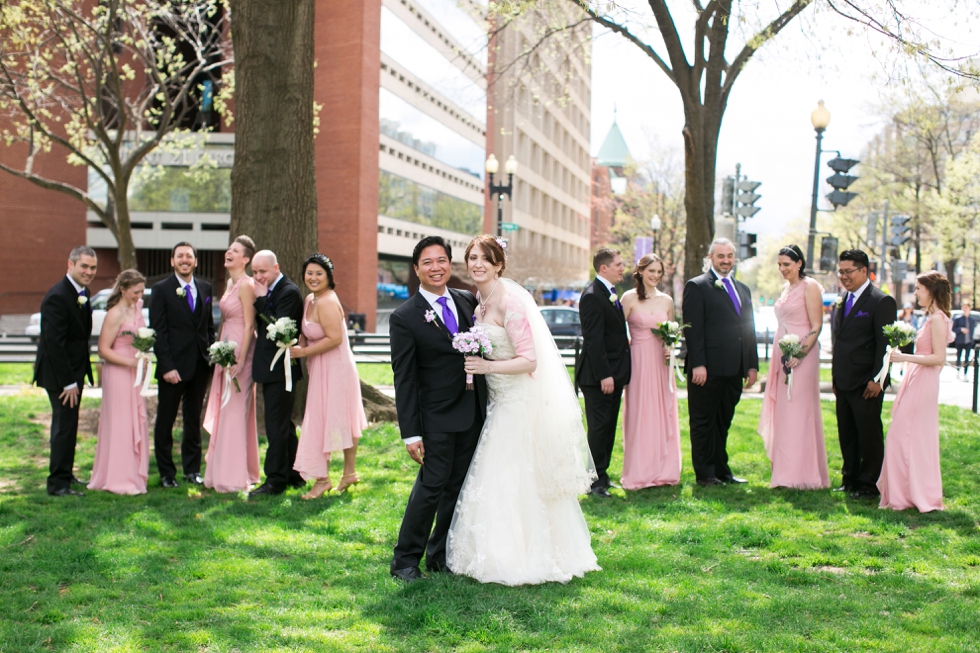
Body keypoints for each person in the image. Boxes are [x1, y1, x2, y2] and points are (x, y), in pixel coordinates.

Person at [446, 235, 598, 585]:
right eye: (472, 257)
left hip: (518, 402)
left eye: (485, 258)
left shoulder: (510, 302)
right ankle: (495, 549)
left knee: (513, 475)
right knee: (500, 474)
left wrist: (487, 369)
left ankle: (525, 554)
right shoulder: (480, 303)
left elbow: (530, 359)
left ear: (499, 264)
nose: (477, 264)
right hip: (498, 401)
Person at [389, 236, 487, 582]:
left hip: (471, 413)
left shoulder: (465, 299)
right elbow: (404, 378)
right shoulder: (404, 317)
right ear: (416, 269)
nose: (436, 267)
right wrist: (411, 432)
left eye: (442, 260)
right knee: (430, 487)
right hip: (434, 418)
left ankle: (439, 555)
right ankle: (404, 560)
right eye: (428, 262)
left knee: (456, 487)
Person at [290, 253, 368, 499]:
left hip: (336, 368)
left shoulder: (326, 301)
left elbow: (334, 339)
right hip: (320, 366)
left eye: (319, 273)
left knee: (336, 417)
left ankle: (325, 478)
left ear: (329, 277)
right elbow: (308, 332)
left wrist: (302, 352)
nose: (313, 278)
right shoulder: (310, 299)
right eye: (309, 273)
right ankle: (347, 474)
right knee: (330, 417)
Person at [682, 237, 758, 487]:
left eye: (729, 256)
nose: (725, 261)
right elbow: (693, 329)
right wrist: (698, 364)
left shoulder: (742, 289)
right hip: (708, 368)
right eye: (720, 256)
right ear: (711, 258)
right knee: (703, 422)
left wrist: (751, 364)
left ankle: (721, 470)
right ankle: (704, 474)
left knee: (723, 421)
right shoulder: (697, 286)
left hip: (734, 368)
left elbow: (748, 329)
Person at [878, 272, 954, 512]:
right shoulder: (929, 318)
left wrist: (903, 357)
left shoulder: (938, 319)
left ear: (931, 291)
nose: (916, 293)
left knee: (902, 438)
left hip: (924, 382)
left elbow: (939, 358)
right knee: (906, 439)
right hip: (918, 378)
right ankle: (907, 494)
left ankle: (912, 495)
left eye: (919, 288)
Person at [757, 245, 829, 490]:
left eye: (787, 264)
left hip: (803, 355)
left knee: (799, 410)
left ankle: (802, 474)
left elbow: (816, 325)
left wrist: (800, 353)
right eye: (779, 265)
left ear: (799, 263)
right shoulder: (786, 288)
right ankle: (784, 471)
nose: (782, 269)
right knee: (784, 413)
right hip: (783, 353)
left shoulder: (810, 287)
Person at [831, 249, 897, 499]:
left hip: (867, 382)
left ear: (863, 271)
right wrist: (835, 378)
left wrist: (878, 379)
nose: (844, 277)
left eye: (848, 272)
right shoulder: (842, 300)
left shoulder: (881, 301)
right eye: (841, 272)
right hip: (844, 380)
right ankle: (850, 478)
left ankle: (869, 484)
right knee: (846, 432)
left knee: (868, 434)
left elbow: (885, 345)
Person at [150, 242, 215, 488]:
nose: (184, 260)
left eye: (189, 256)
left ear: (195, 261)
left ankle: (191, 470)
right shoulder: (161, 290)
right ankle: (167, 473)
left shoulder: (206, 288)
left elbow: (207, 327)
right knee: (165, 420)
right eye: (180, 256)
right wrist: (166, 366)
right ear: (172, 261)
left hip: (200, 366)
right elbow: (159, 330)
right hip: (173, 368)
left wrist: (209, 355)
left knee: (193, 419)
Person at [34, 246, 97, 497]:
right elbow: (54, 344)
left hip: (74, 372)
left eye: (93, 268)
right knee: (63, 426)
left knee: (69, 425)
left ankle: (65, 474)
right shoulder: (57, 296)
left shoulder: (82, 292)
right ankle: (57, 484)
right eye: (84, 266)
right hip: (60, 375)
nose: (89, 272)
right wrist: (69, 382)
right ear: (70, 265)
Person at [202, 236, 260, 493]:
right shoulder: (229, 283)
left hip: (241, 351)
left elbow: (249, 324)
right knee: (226, 408)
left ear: (245, 259)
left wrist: (240, 358)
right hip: (224, 349)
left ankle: (235, 476)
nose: (228, 252)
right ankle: (220, 471)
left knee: (236, 409)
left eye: (234, 251)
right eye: (229, 249)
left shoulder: (247, 285)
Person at [619, 253, 681, 489]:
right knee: (640, 412)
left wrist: (670, 347)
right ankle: (640, 471)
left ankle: (665, 470)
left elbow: (674, 332)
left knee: (662, 411)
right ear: (641, 272)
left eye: (659, 272)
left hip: (661, 363)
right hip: (639, 361)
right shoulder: (629, 298)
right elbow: (618, 331)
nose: (655, 276)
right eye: (651, 271)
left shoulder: (667, 301)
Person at [249, 250, 306, 497]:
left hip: (282, 368)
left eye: (263, 271)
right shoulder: (270, 290)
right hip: (269, 367)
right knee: (283, 424)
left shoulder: (289, 292)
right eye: (255, 272)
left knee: (276, 426)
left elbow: (280, 330)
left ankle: (275, 481)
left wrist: (261, 299)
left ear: (276, 268)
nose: (258, 276)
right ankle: (294, 473)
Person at [88, 270, 150, 495]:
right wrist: (130, 363)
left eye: (141, 291)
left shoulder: (137, 307)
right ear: (122, 289)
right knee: (121, 424)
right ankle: (117, 477)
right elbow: (103, 350)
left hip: (135, 371)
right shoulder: (114, 314)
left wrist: (143, 356)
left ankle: (134, 475)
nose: (139, 296)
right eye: (135, 291)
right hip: (118, 372)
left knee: (136, 422)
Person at [576, 247, 630, 497]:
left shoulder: (609, 292)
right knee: (598, 429)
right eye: (618, 264)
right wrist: (604, 375)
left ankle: (602, 475)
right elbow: (594, 340)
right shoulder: (592, 295)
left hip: (613, 374)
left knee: (608, 427)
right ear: (604, 268)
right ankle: (592, 481)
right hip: (598, 377)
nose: (623, 268)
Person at [951, 300, 976, 379]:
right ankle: (958, 371)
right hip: (960, 341)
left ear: (969, 308)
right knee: (959, 357)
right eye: (964, 307)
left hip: (968, 341)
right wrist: (961, 329)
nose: (965, 309)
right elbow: (953, 329)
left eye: (967, 307)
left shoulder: (972, 320)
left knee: (967, 358)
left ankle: (965, 374)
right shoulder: (958, 318)